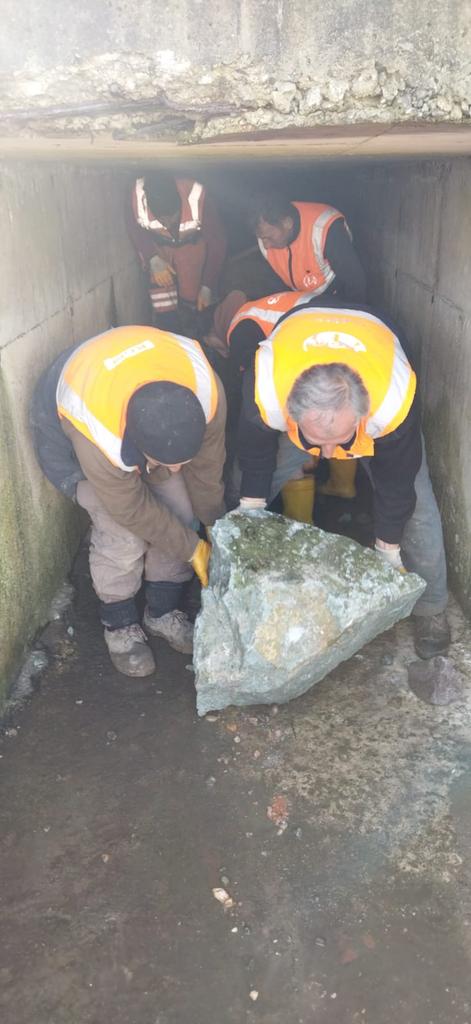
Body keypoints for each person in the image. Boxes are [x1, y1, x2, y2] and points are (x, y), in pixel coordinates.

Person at [237, 299, 450, 660]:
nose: (331, 456)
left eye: (342, 441)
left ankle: (431, 607)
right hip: (300, 338)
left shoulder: (393, 399)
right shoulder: (266, 386)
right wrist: (250, 511)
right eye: (318, 444)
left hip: (375, 337)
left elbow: (397, 484)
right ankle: (238, 582)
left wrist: (388, 550)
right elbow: (253, 451)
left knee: (417, 504)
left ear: (362, 416)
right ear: (292, 415)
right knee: (246, 492)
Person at [31, 325, 226, 678]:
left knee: (180, 513)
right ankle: (119, 624)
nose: (178, 469)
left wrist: (210, 520)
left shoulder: (207, 392)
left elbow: (208, 463)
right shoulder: (97, 432)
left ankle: (162, 612)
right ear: (142, 450)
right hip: (69, 435)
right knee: (121, 531)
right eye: (169, 462)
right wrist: (193, 549)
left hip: (136, 396)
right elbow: (130, 508)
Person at [248, 191, 367, 501]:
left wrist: (342, 330)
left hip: (338, 311)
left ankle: (340, 480)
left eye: (269, 235)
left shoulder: (326, 229)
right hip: (303, 312)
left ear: (286, 223)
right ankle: (316, 465)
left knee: (337, 398)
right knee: (313, 398)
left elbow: (357, 283)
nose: (266, 242)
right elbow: (274, 282)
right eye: (261, 236)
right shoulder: (267, 240)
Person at [126, 171, 227, 333]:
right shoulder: (137, 196)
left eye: (172, 218)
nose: (168, 223)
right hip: (160, 249)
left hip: (191, 247)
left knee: (195, 305)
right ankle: (167, 329)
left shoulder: (198, 196)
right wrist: (152, 257)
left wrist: (208, 285)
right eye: (162, 220)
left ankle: (195, 330)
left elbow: (217, 243)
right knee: (162, 299)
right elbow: (134, 226)